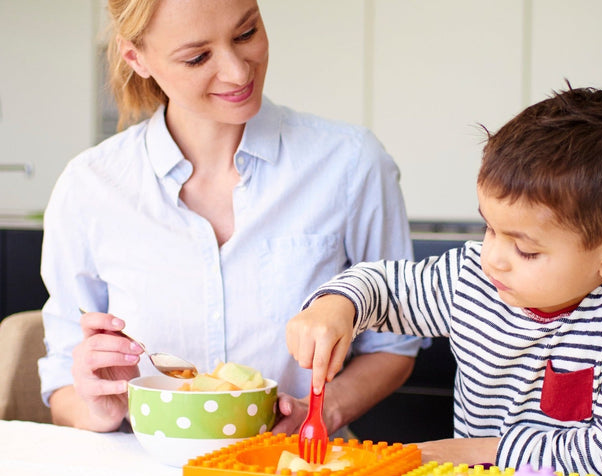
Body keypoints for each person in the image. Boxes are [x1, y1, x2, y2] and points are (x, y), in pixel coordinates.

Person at [38, 0, 419, 434]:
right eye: (197, 57)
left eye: (246, 34)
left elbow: (394, 346)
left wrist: (322, 412)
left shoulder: (350, 163)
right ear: (136, 58)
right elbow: (62, 387)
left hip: (297, 472)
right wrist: (100, 409)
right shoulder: (90, 186)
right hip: (142, 475)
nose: (239, 72)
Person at [286, 86, 602, 476]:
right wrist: (337, 305)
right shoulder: (472, 280)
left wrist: (477, 452)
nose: (493, 257)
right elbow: (384, 286)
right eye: (489, 229)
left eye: (526, 250)